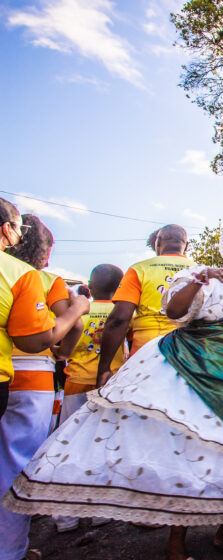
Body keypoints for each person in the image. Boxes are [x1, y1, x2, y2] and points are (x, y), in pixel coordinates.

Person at [3, 211, 223, 560]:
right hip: (198, 374)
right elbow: (176, 311)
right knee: (191, 454)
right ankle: (176, 542)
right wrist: (201, 278)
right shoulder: (201, 276)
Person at [0, 214, 89, 560]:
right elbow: (75, 325)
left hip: (8, 369)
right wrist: (63, 353)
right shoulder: (44, 279)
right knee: (14, 466)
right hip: (33, 377)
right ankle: (11, 550)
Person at [47, 264, 126, 534]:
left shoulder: (78, 311)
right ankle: (100, 511)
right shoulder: (125, 313)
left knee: (67, 447)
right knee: (105, 447)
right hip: (109, 386)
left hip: (75, 384)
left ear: (90, 286)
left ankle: (65, 517)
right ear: (120, 287)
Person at [0, 199, 89, 420]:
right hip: (34, 371)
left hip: (11, 365)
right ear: (7, 230)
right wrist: (64, 353)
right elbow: (74, 324)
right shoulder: (33, 277)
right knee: (22, 452)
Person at [97, 224, 193, 383]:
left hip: (145, 356)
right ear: (187, 245)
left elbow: (119, 319)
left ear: (157, 242)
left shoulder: (139, 269)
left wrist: (104, 368)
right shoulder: (203, 271)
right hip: (188, 356)